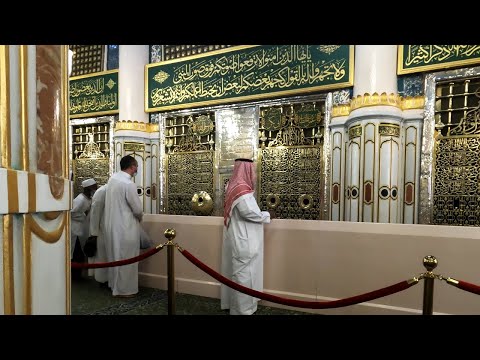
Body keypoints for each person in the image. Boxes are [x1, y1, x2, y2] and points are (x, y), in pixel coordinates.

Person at [221, 158, 271, 315]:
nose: (253, 174)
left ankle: (241, 308)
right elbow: (249, 212)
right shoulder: (240, 189)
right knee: (244, 277)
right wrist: (267, 215)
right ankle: (243, 310)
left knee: (243, 275)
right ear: (246, 169)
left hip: (241, 239)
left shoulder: (233, 186)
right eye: (252, 170)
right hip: (244, 241)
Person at [103, 155, 143, 297]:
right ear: (132, 166)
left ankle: (114, 286)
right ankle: (125, 290)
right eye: (136, 166)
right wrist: (140, 218)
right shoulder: (128, 184)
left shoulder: (112, 179)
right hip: (126, 228)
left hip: (112, 226)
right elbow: (137, 210)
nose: (137, 169)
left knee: (114, 256)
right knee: (127, 258)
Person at [71, 178, 97, 280]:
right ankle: (75, 276)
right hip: (74, 229)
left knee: (80, 253)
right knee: (76, 253)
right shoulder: (80, 199)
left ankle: (78, 275)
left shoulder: (89, 199)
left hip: (81, 229)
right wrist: (83, 215)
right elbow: (70, 212)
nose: (96, 188)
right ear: (88, 188)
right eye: (94, 187)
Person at [88, 184, 108, 286]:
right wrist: (94, 233)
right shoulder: (102, 192)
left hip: (108, 229)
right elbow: (95, 213)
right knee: (102, 256)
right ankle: (102, 280)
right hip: (101, 230)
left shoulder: (112, 190)